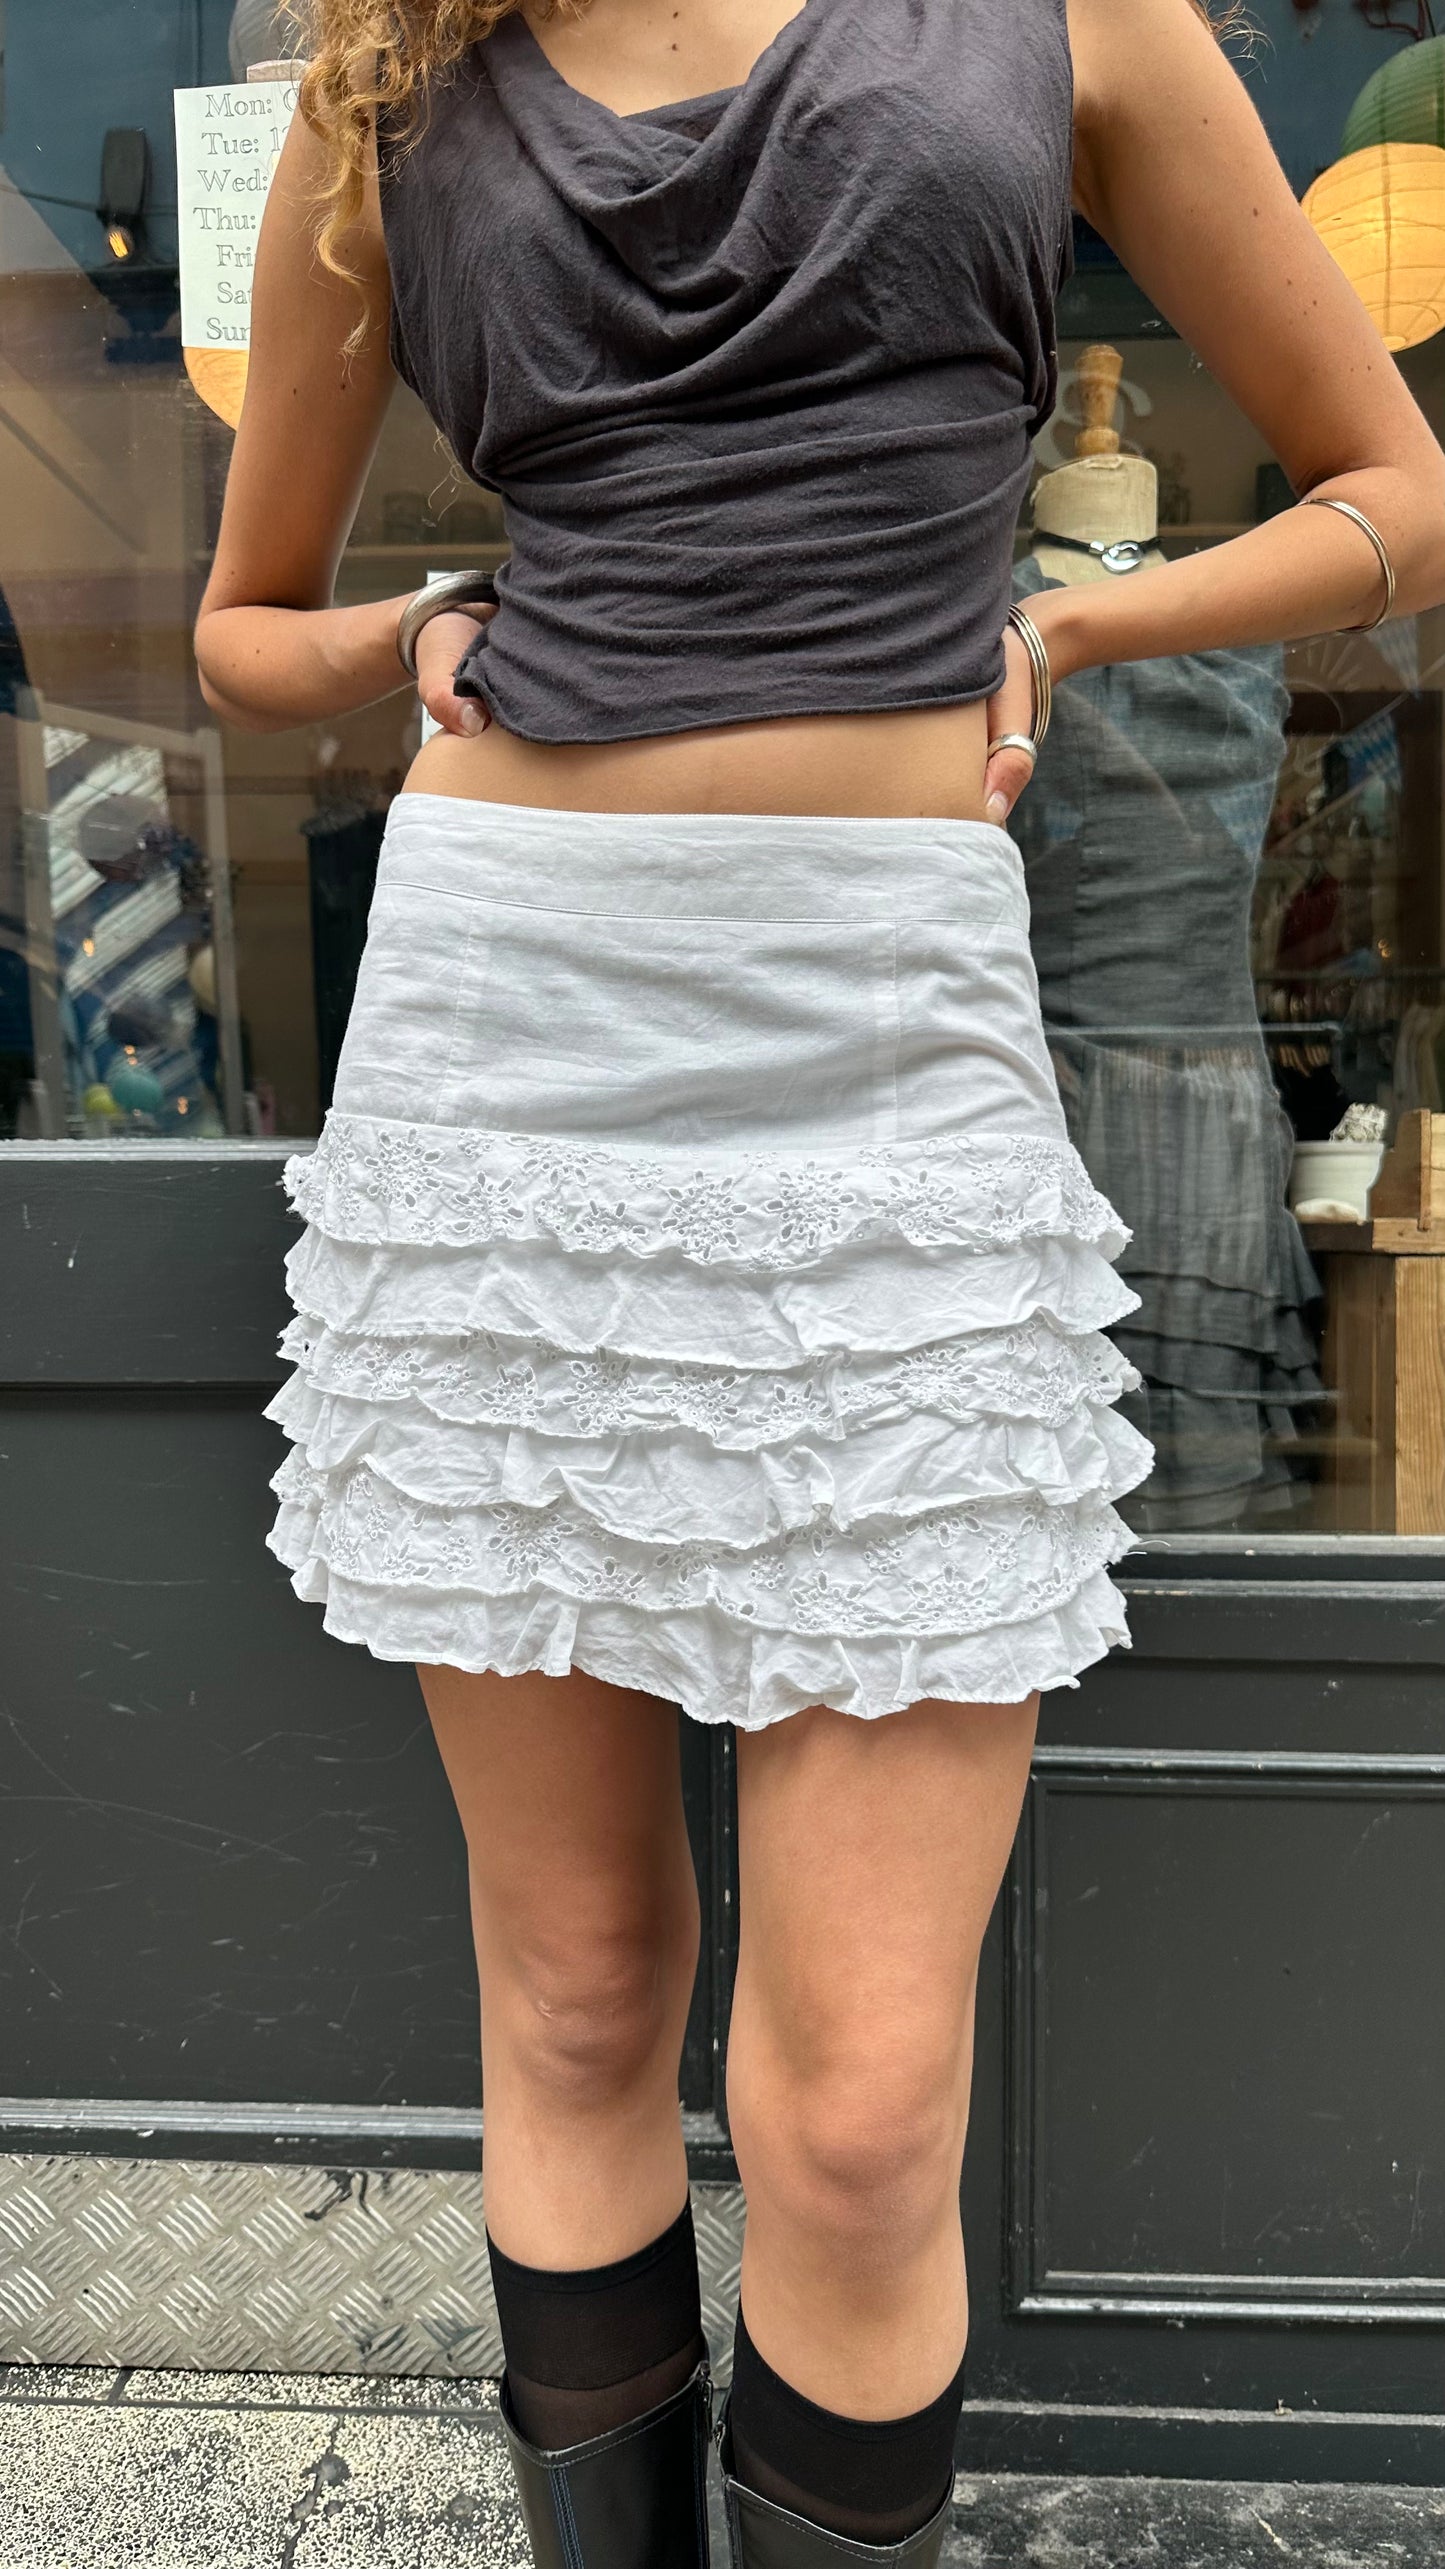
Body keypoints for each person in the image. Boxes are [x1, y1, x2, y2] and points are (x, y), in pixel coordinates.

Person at [193, 1, 1445, 2560]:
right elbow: (241, 626)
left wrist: (1076, 631)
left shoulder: (1067, 20)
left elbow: (1395, 493)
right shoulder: (391, 73)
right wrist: (407, 640)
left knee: (860, 2109)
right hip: (508, 1050)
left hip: (886, 1045)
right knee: (575, 1985)